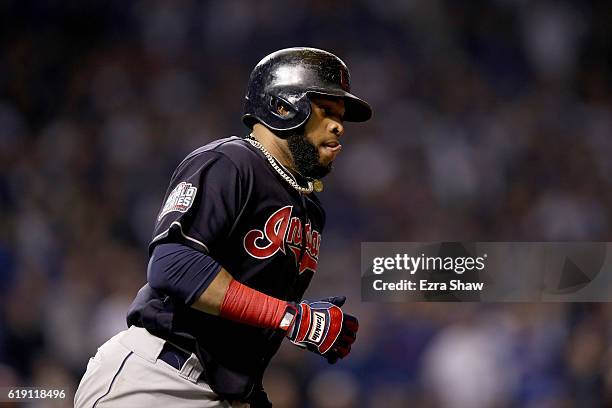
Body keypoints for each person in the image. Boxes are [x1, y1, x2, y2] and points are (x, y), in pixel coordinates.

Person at [74, 47, 372, 408]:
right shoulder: (229, 162)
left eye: (340, 116)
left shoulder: (309, 208)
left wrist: (300, 319)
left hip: (222, 393)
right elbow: (174, 266)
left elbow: (246, 315)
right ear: (283, 107)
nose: (339, 126)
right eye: (326, 111)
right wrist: (293, 317)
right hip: (157, 380)